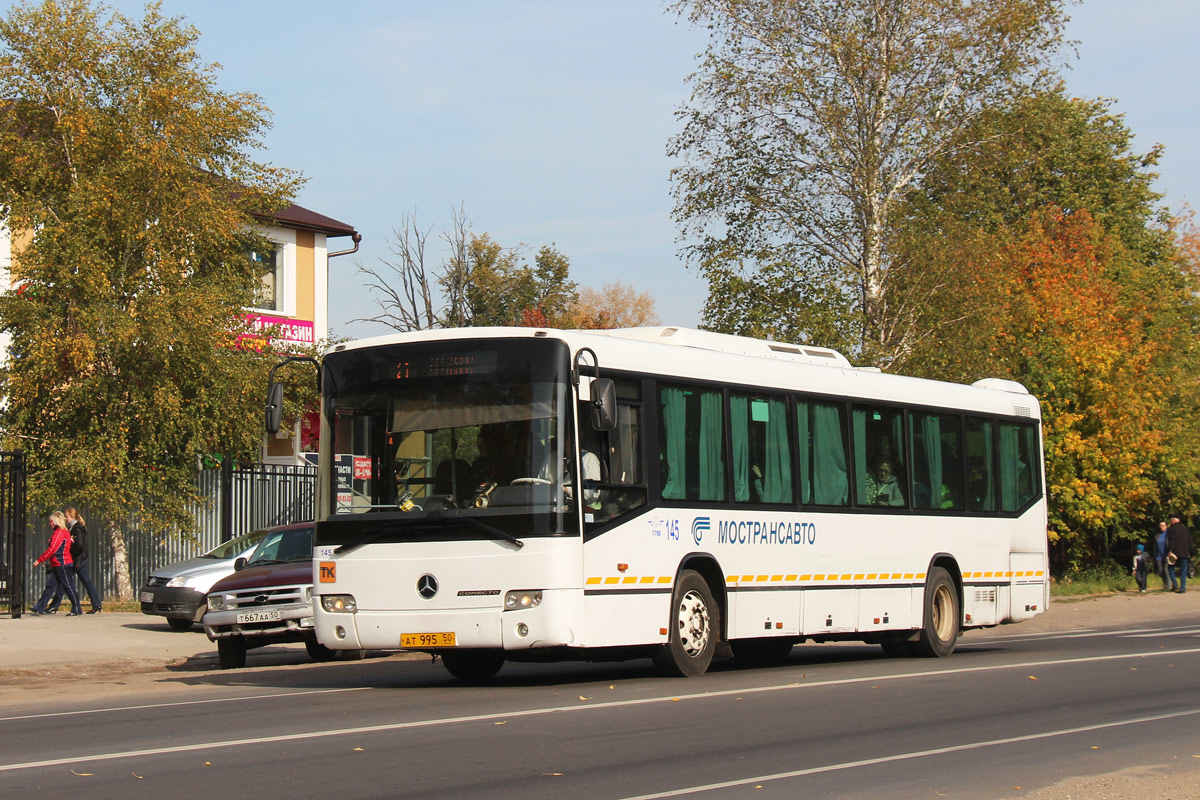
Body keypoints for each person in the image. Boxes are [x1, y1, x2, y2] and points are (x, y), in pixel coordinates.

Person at [31, 511, 83, 615]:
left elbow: (53, 549)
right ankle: (39, 607)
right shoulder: (61, 532)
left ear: (55, 522)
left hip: (62, 563)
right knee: (50, 586)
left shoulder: (60, 532)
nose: (49, 523)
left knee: (68, 585)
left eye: (50, 521)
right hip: (56, 563)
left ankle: (76, 608)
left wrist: (39, 560)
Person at [65, 508, 102, 613]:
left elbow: (80, 546)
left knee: (66, 581)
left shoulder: (77, 529)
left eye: (67, 516)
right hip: (79, 559)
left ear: (72, 517)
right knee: (85, 582)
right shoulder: (73, 527)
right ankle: (96, 604)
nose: (65, 518)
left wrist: (70, 548)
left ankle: (96, 604)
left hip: (78, 560)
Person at [1166, 514, 1193, 593]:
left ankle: (1175, 585)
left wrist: (1170, 550)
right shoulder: (1185, 529)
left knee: (1170, 567)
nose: (1170, 522)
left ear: (1173, 520)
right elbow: (1190, 542)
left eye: (1171, 520)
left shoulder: (1172, 528)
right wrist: (1191, 554)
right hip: (1185, 553)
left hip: (1175, 553)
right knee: (1183, 570)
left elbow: (1172, 540)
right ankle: (1183, 587)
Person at [1154, 521, 1171, 590]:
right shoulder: (1157, 535)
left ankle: (1168, 585)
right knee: (1160, 570)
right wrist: (1154, 555)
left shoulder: (1168, 534)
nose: (1162, 527)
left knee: (1166, 570)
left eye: (1163, 525)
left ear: (1166, 526)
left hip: (1166, 555)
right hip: (1159, 555)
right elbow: (1155, 546)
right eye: (1161, 525)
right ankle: (1165, 582)